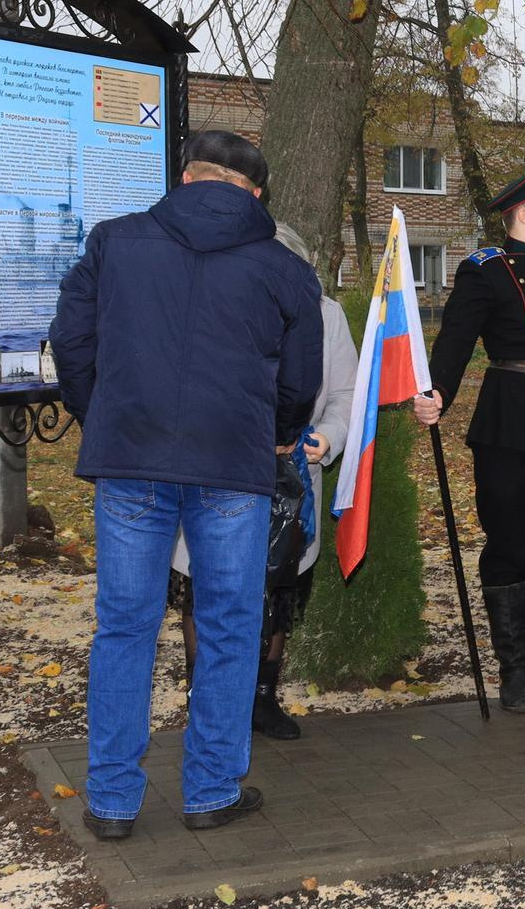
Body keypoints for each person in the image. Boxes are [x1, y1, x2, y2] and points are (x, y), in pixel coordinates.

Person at [50, 129, 322, 839]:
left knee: (125, 625)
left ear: (185, 176)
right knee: (231, 623)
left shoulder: (113, 243)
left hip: (131, 456)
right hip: (234, 463)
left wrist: (101, 414)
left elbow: (71, 341)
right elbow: (302, 377)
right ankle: (209, 790)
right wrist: (280, 428)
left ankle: (111, 802)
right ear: (255, 194)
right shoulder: (283, 267)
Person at [409, 163, 525, 713]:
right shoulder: (484, 270)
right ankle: (513, 668)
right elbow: (457, 337)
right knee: (509, 542)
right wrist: (438, 388)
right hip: (510, 422)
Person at [168, 221, 359, 740]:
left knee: (279, 590)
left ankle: (260, 699)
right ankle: (204, 702)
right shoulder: (208, 308)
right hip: (214, 473)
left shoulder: (325, 315)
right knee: (206, 589)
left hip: (293, 480)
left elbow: (345, 392)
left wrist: (328, 436)